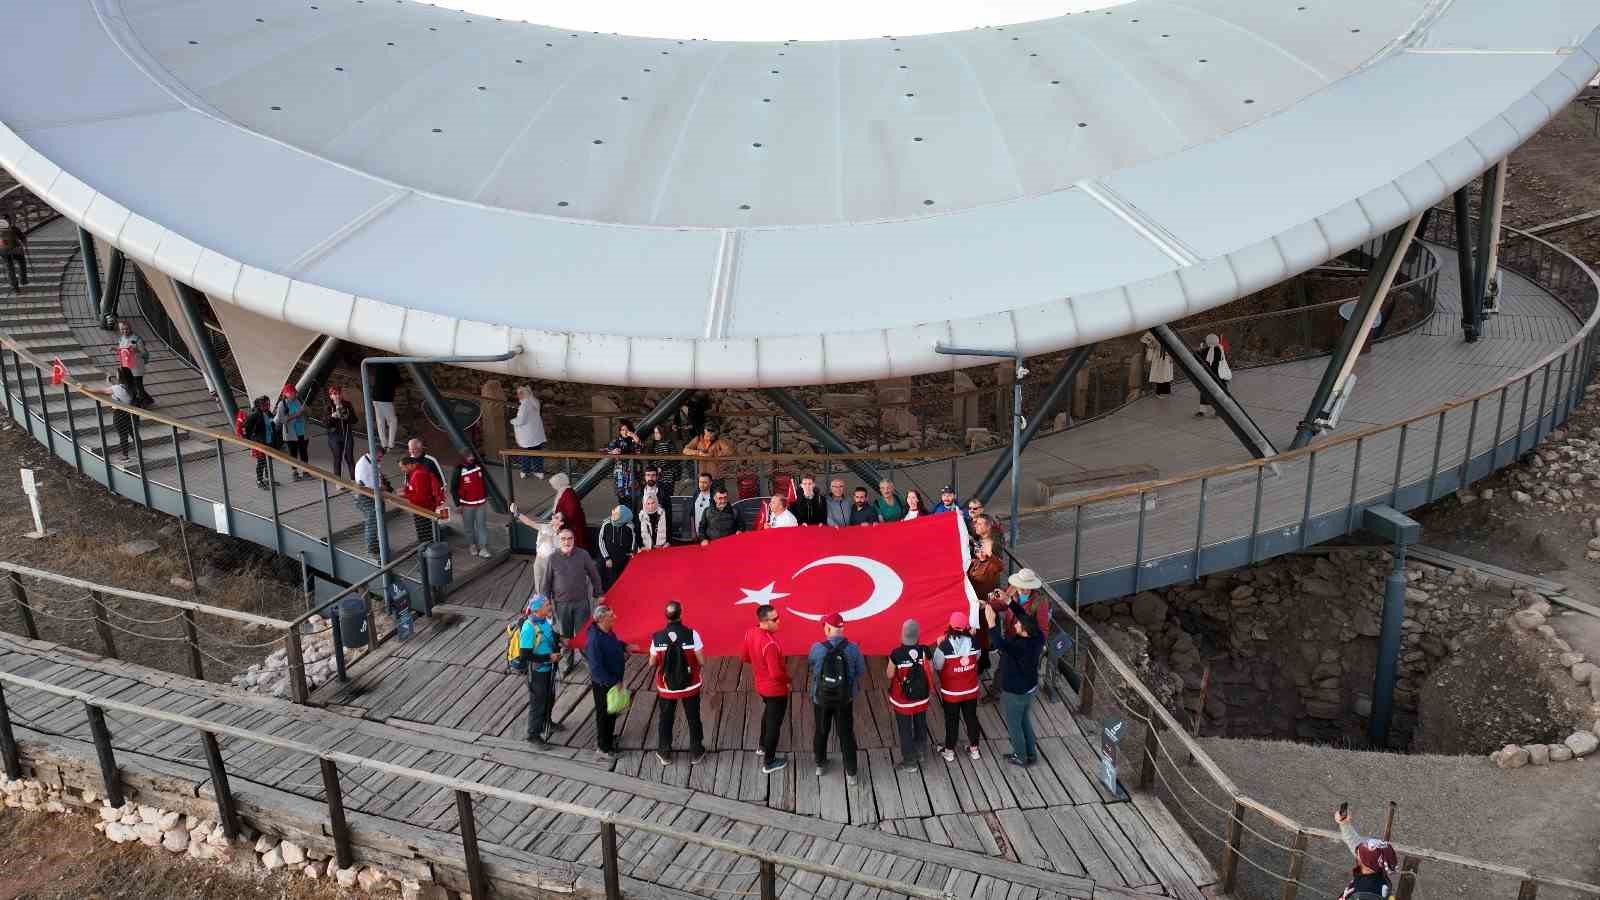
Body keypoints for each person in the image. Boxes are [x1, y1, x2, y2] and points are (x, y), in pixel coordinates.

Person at [807, 612, 865, 783]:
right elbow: (861, 671)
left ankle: (820, 765)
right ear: (842, 628)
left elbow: (811, 666)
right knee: (846, 734)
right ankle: (851, 773)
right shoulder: (853, 648)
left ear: (828, 628)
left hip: (821, 699)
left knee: (821, 730)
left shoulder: (817, 648)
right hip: (844, 699)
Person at [649, 601, 707, 765]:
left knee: (666, 718)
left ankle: (664, 752)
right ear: (681, 614)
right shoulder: (692, 634)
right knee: (693, 718)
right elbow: (701, 661)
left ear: (666, 616)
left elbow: (652, 663)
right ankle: (696, 751)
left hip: (666, 687)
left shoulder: (657, 637)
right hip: (691, 685)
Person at [986, 600, 1043, 766]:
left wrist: (991, 624)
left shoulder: (1020, 647)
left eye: (1018, 624)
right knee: (1024, 720)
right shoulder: (1037, 636)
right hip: (1029, 687)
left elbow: (1000, 644)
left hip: (1015, 692)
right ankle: (1031, 753)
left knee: (1014, 726)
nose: (1016, 624)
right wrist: (1009, 601)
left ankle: (1021, 756)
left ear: (1024, 631)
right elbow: (1023, 615)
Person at [540, 528, 603, 674]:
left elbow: (594, 575)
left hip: (581, 602)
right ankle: (567, 663)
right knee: (565, 636)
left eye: (569, 538)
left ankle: (589, 662)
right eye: (563, 539)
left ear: (574, 540)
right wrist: (546, 607)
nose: (567, 541)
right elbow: (546, 584)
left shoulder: (583, 555)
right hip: (561, 605)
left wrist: (599, 593)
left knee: (584, 634)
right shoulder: (552, 558)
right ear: (558, 541)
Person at [740, 604, 790, 774]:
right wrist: (788, 680)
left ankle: (762, 745)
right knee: (774, 724)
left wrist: (759, 667)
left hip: (761, 685)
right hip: (775, 690)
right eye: (775, 619)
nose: (779, 621)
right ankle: (769, 761)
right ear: (765, 621)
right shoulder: (770, 644)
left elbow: (745, 657)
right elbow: (776, 674)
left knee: (768, 713)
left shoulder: (750, 633)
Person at [932, 612, 983, 761]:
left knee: (951, 721)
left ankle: (949, 752)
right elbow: (977, 656)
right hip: (971, 690)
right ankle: (974, 750)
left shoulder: (944, 645)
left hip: (951, 693)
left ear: (950, 626)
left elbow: (937, 665)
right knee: (971, 718)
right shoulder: (974, 641)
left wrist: (939, 645)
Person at [583, 604, 630, 762]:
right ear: (602, 619)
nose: (615, 618)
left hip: (612, 680)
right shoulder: (595, 640)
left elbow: (614, 645)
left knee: (611, 712)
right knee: (604, 714)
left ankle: (608, 738)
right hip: (604, 684)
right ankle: (603, 748)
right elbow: (596, 668)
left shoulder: (607, 631)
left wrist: (625, 646)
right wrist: (613, 682)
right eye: (611, 616)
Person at [886, 619, 934, 772]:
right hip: (922, 698)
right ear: (918, 635)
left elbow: (889, 674)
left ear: (902, 635)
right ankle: (920, 753)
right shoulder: (925, 651)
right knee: (921, 724)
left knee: (905, 730)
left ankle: (910, 762)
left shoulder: (896, 654)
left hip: (903, 701)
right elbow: (930, 671)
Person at [519, 595, 560, 746]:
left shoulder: (544, 621)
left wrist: (561, 639)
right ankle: (533, 735)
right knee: (538, 702)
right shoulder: (529, 628)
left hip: (549, 668)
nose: (550, 607)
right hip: (537, 672)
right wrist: (548, 657)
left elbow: (549, 635)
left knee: (550, 697)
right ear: (537, 610)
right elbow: (525, 655)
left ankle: (547, 722)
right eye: (547, 605)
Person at [1334, 809, 1397, 899]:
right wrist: (1344, 823)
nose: (1357, 852)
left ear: (1366, 864)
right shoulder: (1378, 871)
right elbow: (1354, 843)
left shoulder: (1367, 894)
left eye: (1360, 853)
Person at [450, 451, 493, 559]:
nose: (472, 458)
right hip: (466, 505)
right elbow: (453, 488)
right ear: (463, 458)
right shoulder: (458, 470)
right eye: (469, 456)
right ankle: (472, 545)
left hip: (481, 503)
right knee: (469, 527)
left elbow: (483, 481)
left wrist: (486, 494)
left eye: (472, 455)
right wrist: (458, 504)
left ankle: (483, 548)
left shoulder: (478, 466)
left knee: (482, 526)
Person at [511, 506, 565, 589]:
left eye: (556, 517)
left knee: (550, 585)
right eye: (554, 515)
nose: (553, 517)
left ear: (561, 523)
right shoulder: (544, 526)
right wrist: (517, 513)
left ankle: (550, 599)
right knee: (539, 583)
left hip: (551, 562)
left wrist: (551, 537)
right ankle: (539, 598)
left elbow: (560, 551)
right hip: (539, 559)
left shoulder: (561, 536)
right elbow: (530, 522)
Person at [87, 371, 136, 461]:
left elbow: (102, 391)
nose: (116, 375)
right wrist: (109, 382)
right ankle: (139, 453)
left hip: (120, 414)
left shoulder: (116, 388)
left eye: (117, 374)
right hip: (132, 414)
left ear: (120, 377)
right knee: (134, 434)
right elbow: (117, 390)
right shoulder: (132, 386)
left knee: (123, 435)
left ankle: (125, 456)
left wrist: (84, 388)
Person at [399, 456, 444, 544]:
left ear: (409, 465)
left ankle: (428, 549)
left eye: (402, 467)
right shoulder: (418, 471)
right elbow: (415, 489)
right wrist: (406, 490)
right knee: (428, 531)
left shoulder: (418, 474)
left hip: (423, 509)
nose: (402, 470)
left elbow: (421, 497)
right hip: (425, 508)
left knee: (424, 533)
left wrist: (405, 495)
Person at [353, 446, 386, 555]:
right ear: (374, 453)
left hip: (373, 495)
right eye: (380, 456)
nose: (381, 459)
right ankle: (371, 546)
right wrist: (380, 488)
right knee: (372, 518)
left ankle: (375, 542)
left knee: (377, 518)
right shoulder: (363, 465)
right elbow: (365, 486)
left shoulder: (372, 461)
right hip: (365, 496)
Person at [597, 505, 638, 590]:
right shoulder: (606, 524)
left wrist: (631, 553)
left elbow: (633, 542)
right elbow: (601, 542)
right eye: (613, 510)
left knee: (620, 583)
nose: (613, 513)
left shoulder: (629, 527)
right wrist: (607, 558)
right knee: (607, 582)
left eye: (617, 513)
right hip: (608, 559)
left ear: (624, 516)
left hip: (622, 560)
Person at [682, 422, 733, 489]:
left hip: (716, 475)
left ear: (716, 434)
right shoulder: (698, 439)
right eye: (707, 436)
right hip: (702, 475)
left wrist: (714, 454)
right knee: (702, 497)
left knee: (718, 496)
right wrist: (698, 452)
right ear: (704, 431)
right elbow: (685, 450)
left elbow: (729, 451)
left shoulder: (719, 440)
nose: (709, 438)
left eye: (712, 436)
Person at [115, 320, 154, 407]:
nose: (124, 331)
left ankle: (142, 402)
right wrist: (116, 350)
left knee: (138, 385)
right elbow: (122, 351)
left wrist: (136, 351)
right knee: (132, 385)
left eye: (126, 329)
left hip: (137, 367)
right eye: (122, 329)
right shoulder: (121, 339)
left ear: (130, 328)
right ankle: (146, 400)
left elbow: (145, 354)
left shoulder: (137, 339)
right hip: (126, 367)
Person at [511, 384, 546, 479]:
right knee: (537, 453)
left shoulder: (524, 405)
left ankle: (525, 471)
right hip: (536, 435)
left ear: (524, 394)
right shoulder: (534, 402)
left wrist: (512, 421)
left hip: (527, 436)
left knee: (525, 454)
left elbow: (521, 421)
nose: (518, 395)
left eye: (519, 393)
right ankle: (539, 472)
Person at [274, 384, 309, 480]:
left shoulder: (300, 401)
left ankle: (306, 471)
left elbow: (309, 413)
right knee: (292, 453)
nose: (295, 394)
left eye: (295, 392)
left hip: (302, 431)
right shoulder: (282, 404)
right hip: (290, 434)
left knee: (304, 452)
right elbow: (281, 420)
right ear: (286, 394)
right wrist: (296, 414)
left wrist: (306, 410)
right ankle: (295, 473)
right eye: (292, 392)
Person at [547, 472, 589, 551]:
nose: (553, 486)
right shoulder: (564, 491)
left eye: (554, 484)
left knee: (574, 545)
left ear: (559, 483)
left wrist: (561, 519)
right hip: (570, 525)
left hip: (572, 526)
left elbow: (572, 511)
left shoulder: (568, 494)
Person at [1194, 333, 1232, 418]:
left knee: (1205, 392)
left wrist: (1198, 350)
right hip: (1219, 376)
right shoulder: (1220, 350)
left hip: (1208, 376)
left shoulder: (1205, 351)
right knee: (1219, 393)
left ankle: (1202, 411)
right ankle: (1218, 410)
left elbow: (1197, 359)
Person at [605, 419, 641, 507]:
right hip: (620, 470)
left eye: (626, 430)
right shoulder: (617, 440)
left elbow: (640, 448)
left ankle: (634, 515)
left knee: (633, 493)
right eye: (622, 430)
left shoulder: (633, 439)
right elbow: (606, 449)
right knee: (621, 494)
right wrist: (612, 451)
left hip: (632, 469)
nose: (624, 432)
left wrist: (633, 435)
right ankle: (624, 514)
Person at [325, 386, 359, 480]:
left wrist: (347, 417)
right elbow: (326, 424)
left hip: (347, 434)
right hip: (334, 436)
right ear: (331, 396)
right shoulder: (329, 407)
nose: (337, 396)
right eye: (335, 394)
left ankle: (354, 481)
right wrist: (332, 416)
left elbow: (355, 420)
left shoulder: (347, 404)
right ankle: (338, 481)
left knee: (349, 458)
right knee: (337, 458)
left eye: (339, 393)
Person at [243, 395, 277, 489]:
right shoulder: (255, 414)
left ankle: (268, 478)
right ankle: (259, 480)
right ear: (259, 405)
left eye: (269, 403)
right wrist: (250, 439)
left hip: (268, 441)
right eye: (265, 404)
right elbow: (246, 426)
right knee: (261, 461)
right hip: (260, 442)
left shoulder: (268, 413)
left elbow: (272, 424)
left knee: (268, 461)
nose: (268, 405)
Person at [645, 425, 680, 515]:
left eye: (657, 432)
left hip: (667, 475)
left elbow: (671, 458)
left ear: (662, 432)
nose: (655, 435)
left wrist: (659, 467)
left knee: (666, 500)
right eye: (655, 433)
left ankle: (666, 521)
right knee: (660, 499)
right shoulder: (657, 443)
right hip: (660, 476)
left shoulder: (666, 443)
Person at [369, 364, 399, 451]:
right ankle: (390, 445)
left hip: (375, 396)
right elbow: (397, 380)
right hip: (385, 398)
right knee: (393, 420)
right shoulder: (392, 366)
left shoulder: (378, 365)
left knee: (380, 421)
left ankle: (384, 444)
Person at [1141, 332, 1174, 397]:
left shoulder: (1166, 331)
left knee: (1166, 374)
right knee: (1159, 375)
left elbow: (1171, 344)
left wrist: (1171, 356)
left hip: (1166, 356)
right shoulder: (1152, 333)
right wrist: (1150, 344)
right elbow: (1147, 342)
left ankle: (1166, 391)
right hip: (1158, 357)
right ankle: (1158, 392)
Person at [0, 214, 27, 293]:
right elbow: (23, 238)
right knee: (22, 263)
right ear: (9, 220)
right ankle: (23, 280)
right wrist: (24, 244)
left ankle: (15, 287)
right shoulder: (14, 228)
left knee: (9, 269)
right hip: (16, 250)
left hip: (4, 251)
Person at [690, 473, 714, 541]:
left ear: (710, 483)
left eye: (705, 482)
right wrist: (693, 532)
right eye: (700, 482)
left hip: (709, 535)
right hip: (697, 534)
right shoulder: (696, 494)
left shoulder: (714, 496)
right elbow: (692, 514)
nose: (701, 485)